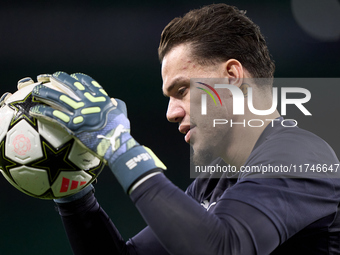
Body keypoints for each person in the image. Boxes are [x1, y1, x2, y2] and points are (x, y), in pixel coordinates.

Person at [27, 3, 340, 255]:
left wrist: (119, 145)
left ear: (231, 76)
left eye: (181, 91)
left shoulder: (302, 155)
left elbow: (223, 248)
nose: (171, 113)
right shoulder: (214, 180)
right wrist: (74, 194)